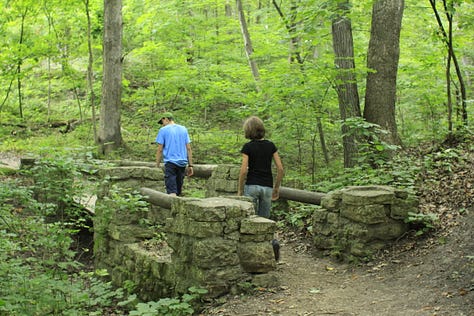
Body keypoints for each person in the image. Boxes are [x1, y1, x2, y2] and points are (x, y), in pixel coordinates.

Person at [238, 116, 284, 219]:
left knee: (249, 218)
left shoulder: (247, 147)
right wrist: (276, 188)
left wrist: (240, 189)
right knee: (264, 220)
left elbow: (243, 171)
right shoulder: (271, 146)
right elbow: (280, 169)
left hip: (252, 186)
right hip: (267, 186)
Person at [155, 112, 194, 196]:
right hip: (182, 163)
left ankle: (172, 205)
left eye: (162, 123)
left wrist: (157, 165)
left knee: (172, 191)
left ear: (165, 119)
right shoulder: (183, 129)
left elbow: (160, 149)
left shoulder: (163, 130)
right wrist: (190, 165)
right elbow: (188, 148)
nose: (162, 125)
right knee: (178, 190)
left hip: (170, 162)